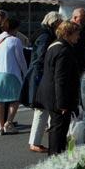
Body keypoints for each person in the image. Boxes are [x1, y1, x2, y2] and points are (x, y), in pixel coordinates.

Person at [34, 21, 81, 155]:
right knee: (59, 128)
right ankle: (55, 156)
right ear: (68, 34)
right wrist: (62, 104)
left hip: (49, 93)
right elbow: (60, 79)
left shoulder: (54, 45)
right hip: (57, 96)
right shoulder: (64, 50)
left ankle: (56, 154)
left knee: (56, 127)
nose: (78, 37)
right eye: (77, 34)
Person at [22, 12, 64, 152]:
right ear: (54, 22)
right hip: (39, 76)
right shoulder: (46, 36)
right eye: (60, 22)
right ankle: (35, 142)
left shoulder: (43, 33)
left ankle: (40, 140)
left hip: (37, 75)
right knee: (41, 109)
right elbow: (41, 58)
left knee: (43, 109)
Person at [0, 18, 28, 135]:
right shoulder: (15, 40)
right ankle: (8, 122)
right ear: (15, 28)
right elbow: (21, 60)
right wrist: (26, 72)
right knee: (16, 99)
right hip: (10, 73)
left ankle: (0, 126)